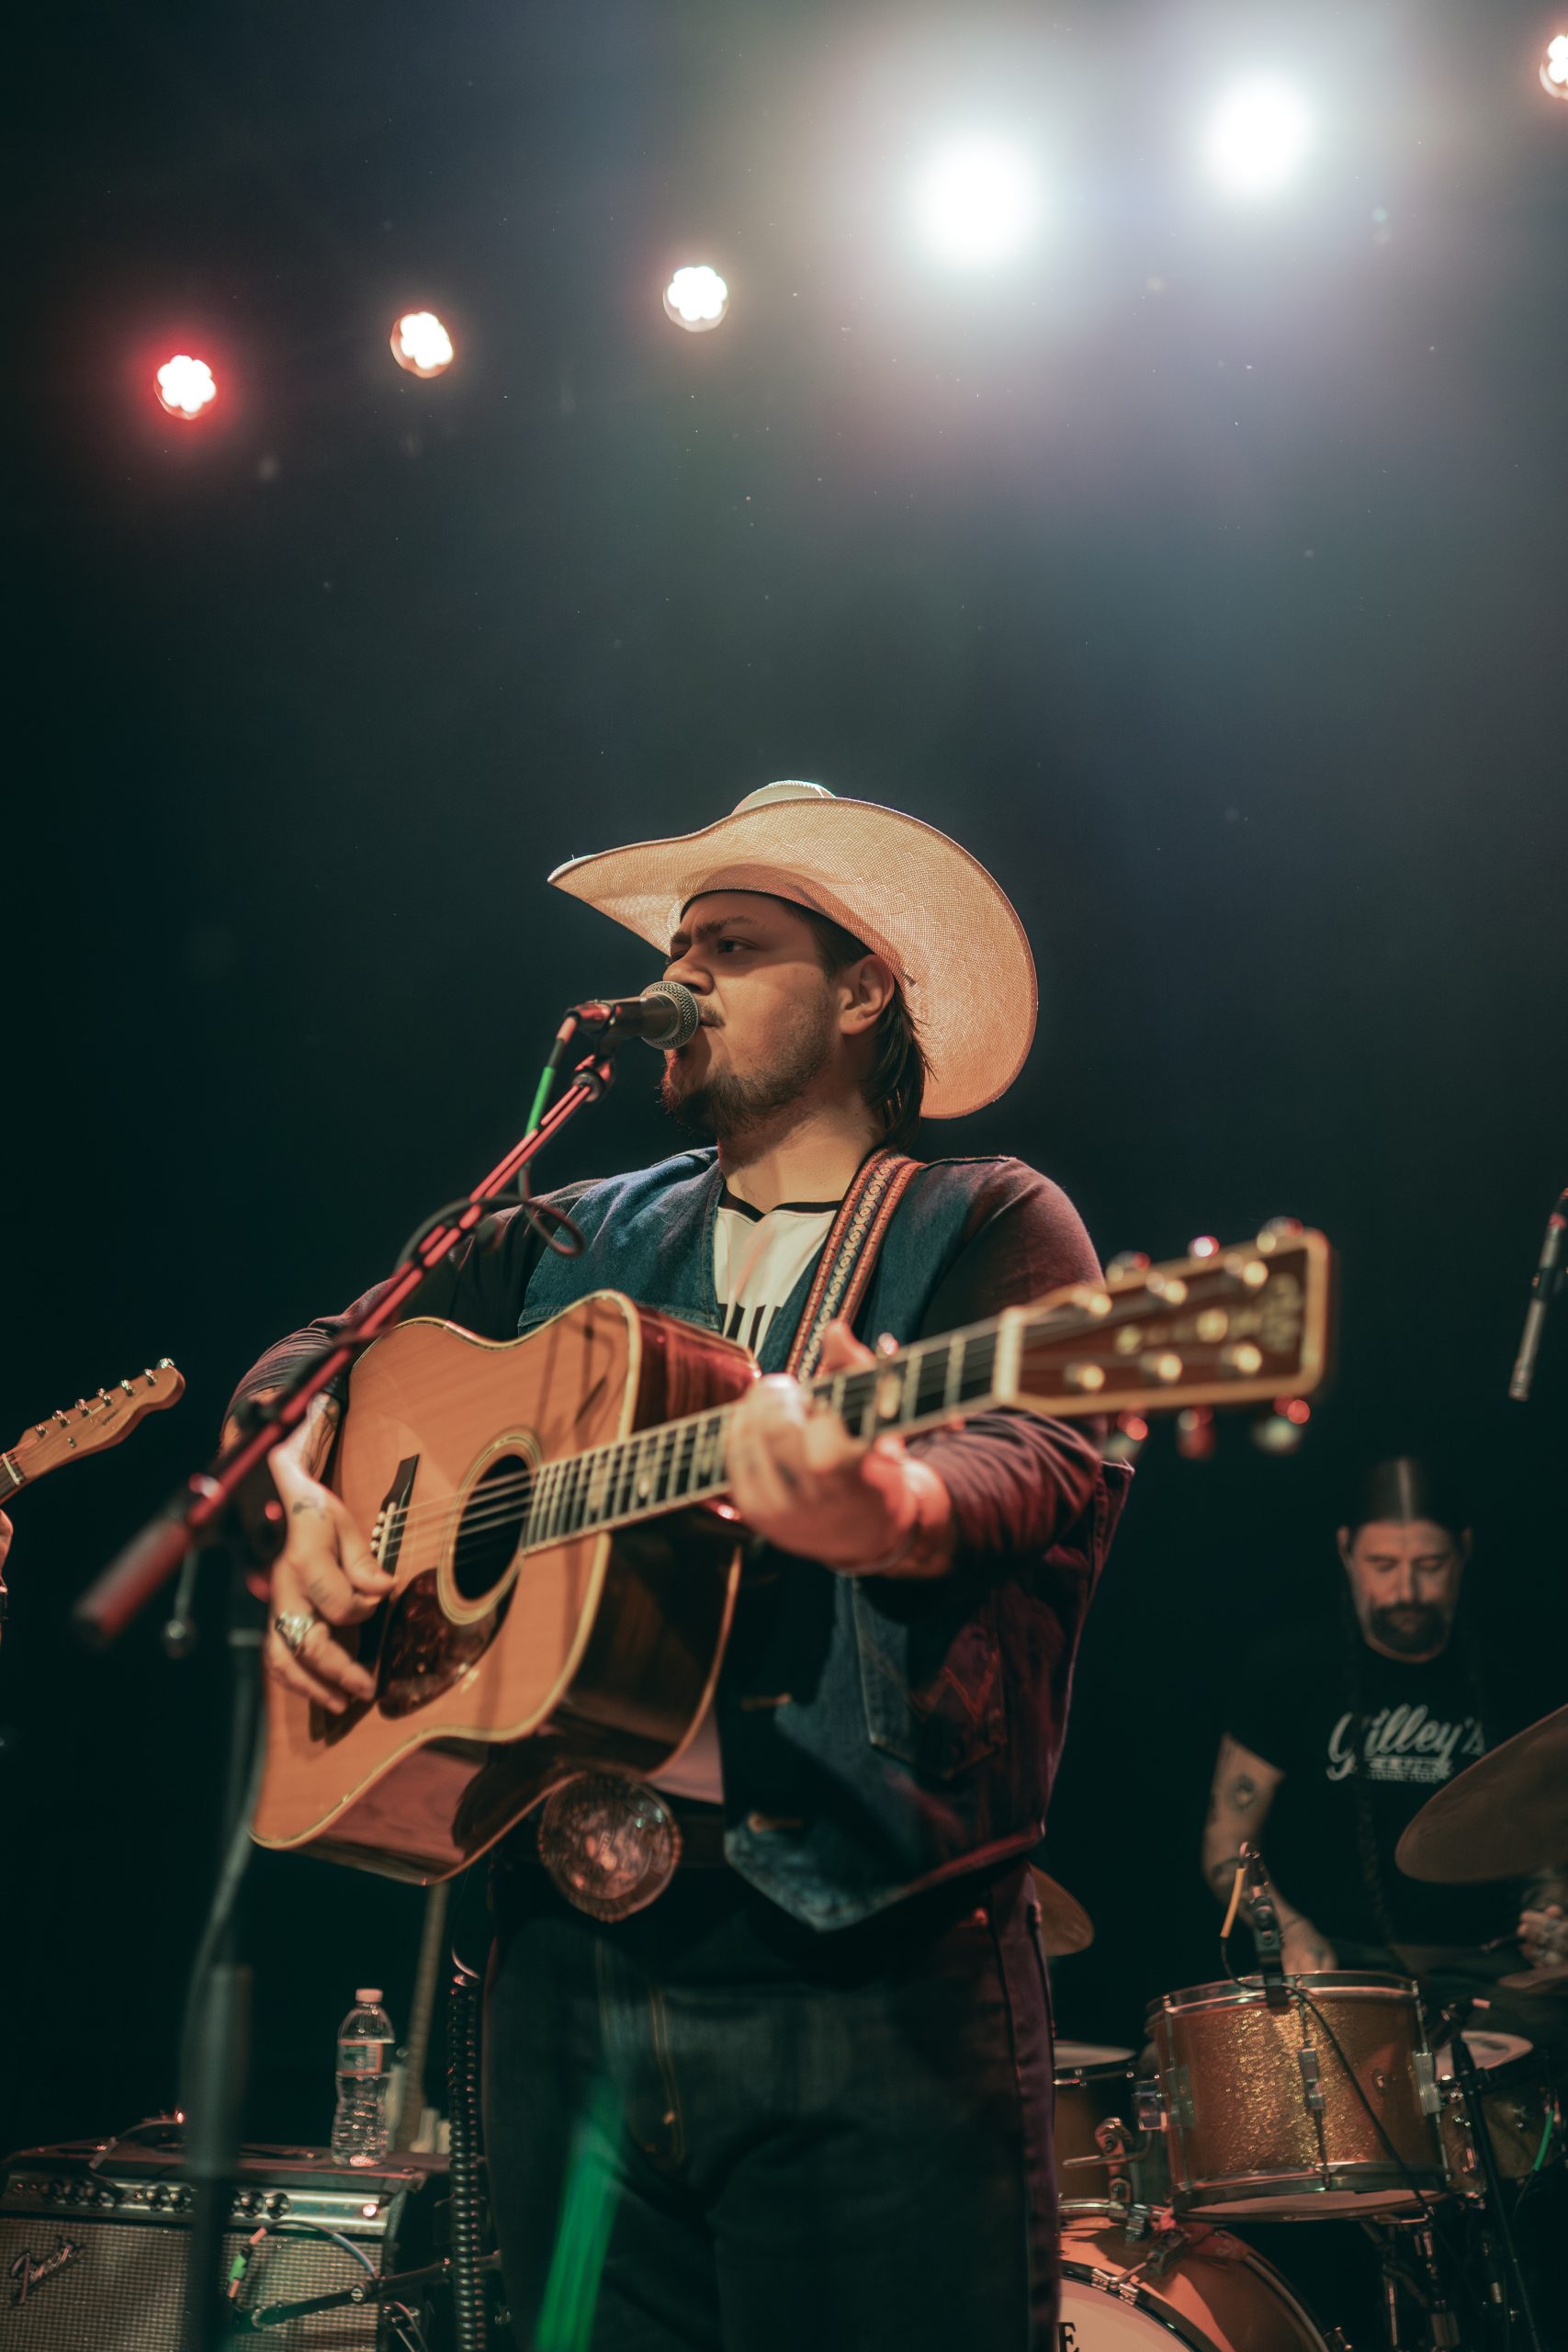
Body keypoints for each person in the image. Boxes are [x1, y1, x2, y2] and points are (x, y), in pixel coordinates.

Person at [229, 780, 1130, 2351]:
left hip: (858, 1969)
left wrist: (891, 1504)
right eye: (677, 944)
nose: (680, 975)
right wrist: (300, 1502)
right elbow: (314, 1361)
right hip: (561, 1975)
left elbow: (1039, 1453)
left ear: (862, 991)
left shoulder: (981, 1220)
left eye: (732, 945)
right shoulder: (568, 1232)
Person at [1201, 1456, 1568, 2023]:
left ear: (1463, 1551)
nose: (1406, 1591)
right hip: (1341, 1971)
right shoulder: (1287, 1673)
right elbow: (1227, 1846)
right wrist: (1287, 1930)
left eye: (1430, 1565)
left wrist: (1551, 1912)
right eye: (1382, 1565)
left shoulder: (1516, 1682)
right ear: (1346, 1551)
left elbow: (1547, 1850)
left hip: (1485, 1971)